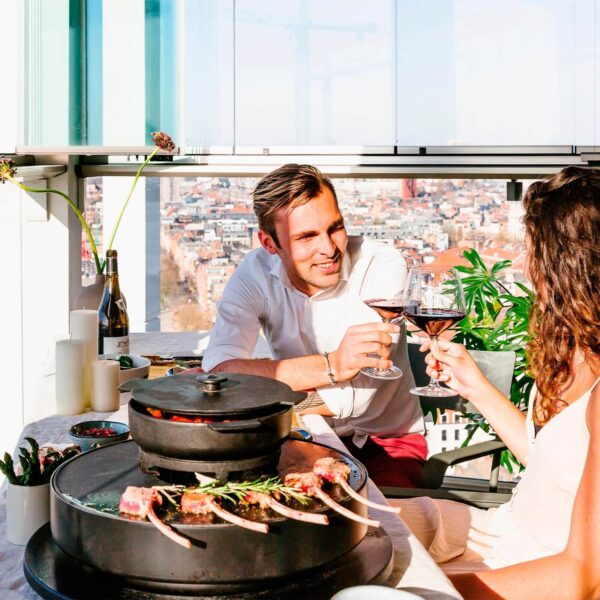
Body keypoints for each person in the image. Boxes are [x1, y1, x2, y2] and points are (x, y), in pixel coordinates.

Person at [397, 166, 600, 599]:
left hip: (535, 564)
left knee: (375, 566)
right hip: (502, 531)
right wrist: (473, 384)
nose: (524, 266)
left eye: (534, 252)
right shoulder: (572, 343)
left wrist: (428, 592)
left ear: (572, 264)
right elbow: (551, 463)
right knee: (359, 520)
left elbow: (581, 577)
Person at [202, 163, 426, 487]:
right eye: (307, 237)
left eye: (335, 227)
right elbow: (220, 369)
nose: (329, 248)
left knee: (373, 532)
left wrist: (257, 382)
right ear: (269, 244)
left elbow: (353, 401)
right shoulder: (254, 273)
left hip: (386, 445)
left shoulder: (382, 266)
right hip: (301, 433)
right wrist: (333, 365)